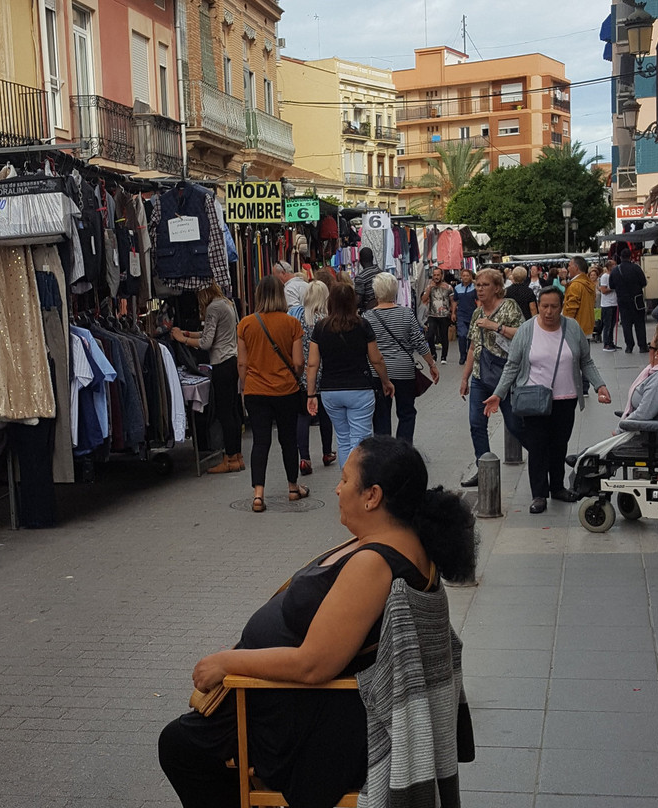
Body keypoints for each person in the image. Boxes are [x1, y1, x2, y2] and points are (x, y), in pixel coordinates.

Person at [158, 436, 478, 808]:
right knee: (189, 744)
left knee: (180, 746)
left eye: (344, 480)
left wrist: (226, 663)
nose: (338, 489)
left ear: (372, 496)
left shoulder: (375, 563)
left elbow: (314, 664)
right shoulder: (396, 539)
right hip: (301, 702)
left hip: (312, 716)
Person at [484, 286, 612, 514]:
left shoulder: (571, 328)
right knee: (537, 447)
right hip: (534, 399)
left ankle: (557, 488)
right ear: (538, 306)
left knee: (559, 445)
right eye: (544, 306)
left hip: (565, 399)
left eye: (554, 306)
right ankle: (539, 495)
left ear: (561, 307)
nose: (549, 311)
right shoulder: (526, 330)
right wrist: (498, 393)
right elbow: (512, 366)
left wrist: (599, 385)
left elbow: (586, 362)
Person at [236, 275, 308, 513]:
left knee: (260, 441)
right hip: (286, 390)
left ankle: (258, 495)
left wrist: (248, 385)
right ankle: (292, 487)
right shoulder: (292, 324)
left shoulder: (245, 324)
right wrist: (291, 375)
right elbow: (298, 362)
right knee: (288, 440)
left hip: (256, 390)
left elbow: (242, 364)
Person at [307, 283, 394, 467]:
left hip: (330, 390)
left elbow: (313, 364)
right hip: (360, 388)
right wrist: (386, 381)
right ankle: (356, 483)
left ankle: (346, 481)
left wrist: (311, 393)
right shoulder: (362, 325)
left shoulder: (321, 327)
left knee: (343, 439)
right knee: (360, 439)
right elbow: (376, 359)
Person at [458, 269, 525, 477]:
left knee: (515, 425)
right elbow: (472, 347)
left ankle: (544, 457)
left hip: (505, 377)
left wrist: (495, 326)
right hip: (480, 376)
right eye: (478, 285)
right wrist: (465, 377)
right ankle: (483, 471)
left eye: (485, 285)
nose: (479, 289)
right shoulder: (477, 312)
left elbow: (523, 335)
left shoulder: (509, 306)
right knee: (476, 424)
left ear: (497, 288)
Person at [172, 283, 243, 474]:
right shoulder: (226, 303)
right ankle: (237, 456)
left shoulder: (213, 308)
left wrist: (182, 340)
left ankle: (229, 458)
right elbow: (211, 334)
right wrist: (187, 333)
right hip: (232, 360)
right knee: (233, 411)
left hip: (221, 363)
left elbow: (206, 343)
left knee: (224, 412)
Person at [365, 272, 439, 443]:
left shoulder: (367, 317)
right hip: (404, 371)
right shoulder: (406, 314)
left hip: (377, 373)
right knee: (406, 413)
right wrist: (431, 364)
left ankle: (384, 453)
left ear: (376, 293)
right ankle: (403, 450)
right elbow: (419, 342)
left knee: (381, 415)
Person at [289, 282, 335, 474]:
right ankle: (326, 452)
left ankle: (304, 458)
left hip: (303, 372)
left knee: (303, 415)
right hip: (324, 372)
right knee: (325, 415)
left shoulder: (298, 319)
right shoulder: (327, 321)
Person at [610, 248, 649, 353]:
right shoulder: (636, 268)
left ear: (620, 257)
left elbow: (611, 285)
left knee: (626, 324)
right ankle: (642, 346)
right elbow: (644, 282)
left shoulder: (615, 270)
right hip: (637, 300)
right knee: (639, 324)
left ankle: (629, 346)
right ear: (630, 256)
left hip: (622, 300)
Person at [421, 266, 454, 364]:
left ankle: (444, 357)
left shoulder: (448, 287)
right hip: (432, 315)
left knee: (444, 336)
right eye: (434, 275)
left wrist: (453, 313)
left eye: (438, 275)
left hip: (444, 315)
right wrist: (429, 288)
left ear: (441, 275)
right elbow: (423, 300)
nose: (436, 277)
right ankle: (433, 355)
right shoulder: (429, 287)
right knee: (430, 335)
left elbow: (452, 301)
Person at [561, 255, 596, 338]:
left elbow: (570, 309)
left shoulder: (575, 285)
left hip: (575, 330)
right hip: (586, 327)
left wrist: (565, 327)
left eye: (569, 265)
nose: (567, 269)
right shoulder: (588, 283)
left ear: (576, 267)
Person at [451, 268, 477, 365]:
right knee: (462, 335)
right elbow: (455, 301)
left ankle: (469, 354)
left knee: (471, 336)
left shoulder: (474, 287)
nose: (465, 277)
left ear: (470, 277)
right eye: (464, 276)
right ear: (461, 277)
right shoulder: (457, 288)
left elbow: (478, 301)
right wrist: (453, 313)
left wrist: (478, 313)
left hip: (472, 314)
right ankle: (462, 355)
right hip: (461, 314)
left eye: (467, 275)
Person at [353, 247, 382, 312]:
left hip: (368, 311)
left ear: (360, 261)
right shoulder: (380, 272)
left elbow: (358, 299)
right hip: (383, 308)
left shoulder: (361, 277)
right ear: (372, 258)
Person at [599, 258, 619, 352]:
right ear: (610, 267)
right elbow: (603, 290)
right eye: (614, 265)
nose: (616, 266)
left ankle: (611, 342)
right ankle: (606, 344)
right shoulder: (605, 277)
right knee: (608, 324)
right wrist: (613, 288)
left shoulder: (614, 276)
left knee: (612, 324)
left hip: (614, 303)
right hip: (607, 304)